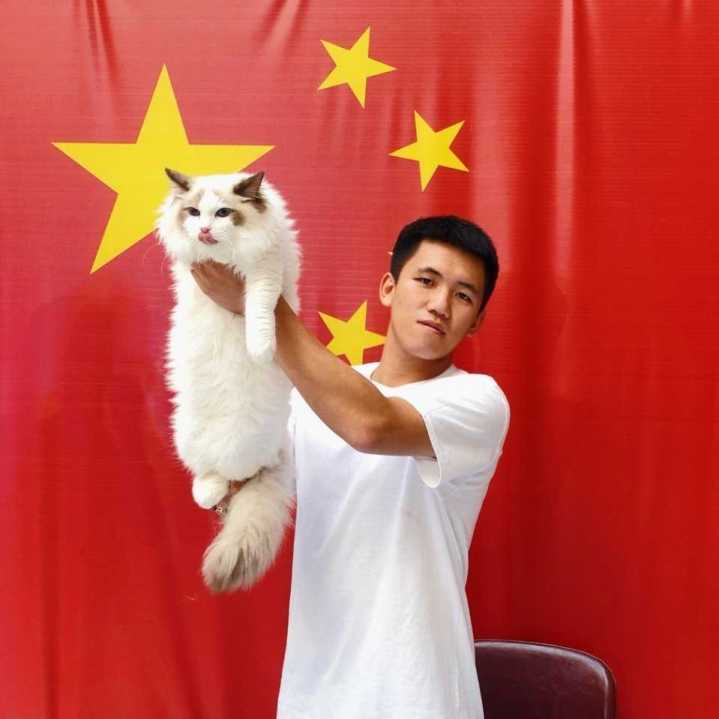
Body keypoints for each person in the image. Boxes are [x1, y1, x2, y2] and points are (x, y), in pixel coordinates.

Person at [190, 215, 511, 719]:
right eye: (426, 280)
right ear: (389, 288)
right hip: (315, 691)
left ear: (476, 321)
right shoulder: (314, 397)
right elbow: (250, 481)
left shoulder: (478, 401)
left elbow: (371, 425)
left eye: (463, 295)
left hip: (419, 694)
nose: (440, 304)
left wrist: (262, 303)